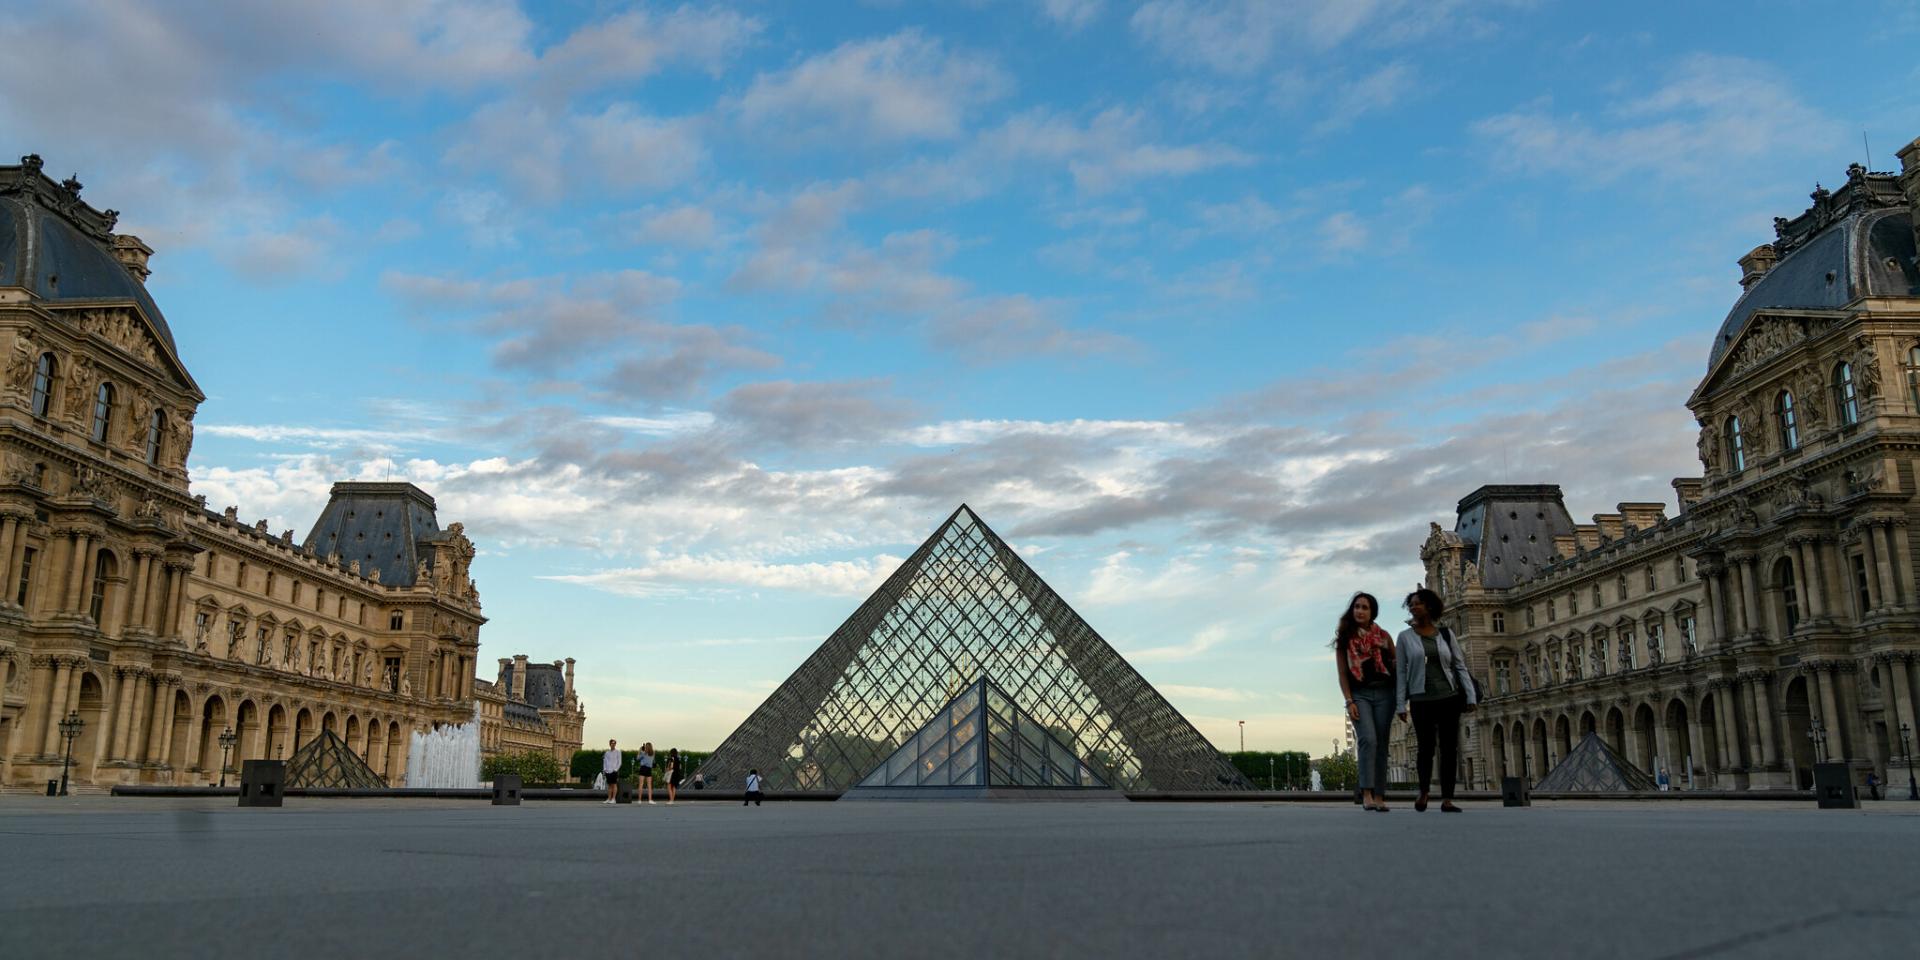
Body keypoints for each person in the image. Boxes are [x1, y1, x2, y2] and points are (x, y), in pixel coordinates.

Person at [1395, 587, 1477, 813]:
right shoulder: (1404, 638)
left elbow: (1459, 666)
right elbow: (1401, 671)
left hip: (1448, 697)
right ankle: (1423, 792)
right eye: (1410, 604)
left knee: (1450, 748)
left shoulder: (1446, 634)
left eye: (1417, 603)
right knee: (1425, 748)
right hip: (1421, 699)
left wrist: (1470, 695)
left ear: (1429, 606)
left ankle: (1448, 798)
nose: (1413, 607)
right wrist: (1400, 704)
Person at [1334, 591, 1396, 812]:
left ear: (1372, 612)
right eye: (1357, 607)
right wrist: (1349, 700)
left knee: (1382, 743)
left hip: (1385, 694)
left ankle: (1380, 796)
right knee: (1367, 740)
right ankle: (1367, 793)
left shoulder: (1384, 637)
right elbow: (1342, 674)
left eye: (1365, 607)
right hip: (1359, 694)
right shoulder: (1345, 639)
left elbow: (1396, 667)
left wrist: (1401, 699)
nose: (1360, 611)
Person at [601, 739, 621, 805]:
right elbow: (605, 761)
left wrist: (616, 769)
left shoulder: (618, 752)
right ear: (610, 744)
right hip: (608, 771)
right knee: (609, 785)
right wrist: (605, 769)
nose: (613, 744)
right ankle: (609, 799)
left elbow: (619, 762)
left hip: (614, 771)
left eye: (614, 743)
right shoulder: (607, 753)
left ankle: (613, 799)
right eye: (612, 743)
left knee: (614, 784)